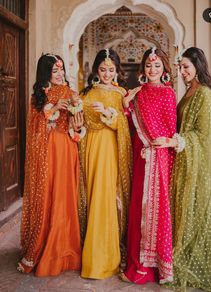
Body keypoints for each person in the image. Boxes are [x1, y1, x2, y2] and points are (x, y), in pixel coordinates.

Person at [156, 47, 211, 291]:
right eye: (180, 68)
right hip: (184, 163)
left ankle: (195, 257)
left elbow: (203, 136)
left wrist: (174, 141)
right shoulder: (189, 91)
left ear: (198, 67)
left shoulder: (202, 93)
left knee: (197, 213)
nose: (181, 72)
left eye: (186, 67)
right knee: (182, 211)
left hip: (198, 166)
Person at [17, 54, 85, 276]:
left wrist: (77, 119)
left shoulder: (71, 93)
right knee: (47, 195)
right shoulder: (38, 96)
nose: (60, 74)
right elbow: (36, 127)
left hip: (66, 150)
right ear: (45, 73)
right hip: (46, 153)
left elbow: (77, 129)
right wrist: (55, 106)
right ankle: (43, 248)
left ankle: (65, 250)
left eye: (62, 70)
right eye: (55, 71)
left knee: (64, 197)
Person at [121, 47, 177, 284]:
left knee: (156, 208)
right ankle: (138, 263)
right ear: (142, 69)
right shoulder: (137, 93)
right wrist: (125, 104)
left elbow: (171, 130)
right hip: (140, 155)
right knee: (138, 208)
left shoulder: (168, 94)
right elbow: (129, 125)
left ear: (164, 68)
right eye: (148, 66)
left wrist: (157, 148)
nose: (152, 70)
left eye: (156, 65)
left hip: (159, 157)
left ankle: (156, 266)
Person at [79, 48, 132, 279]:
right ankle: (87, 251)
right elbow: (79, 120)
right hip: (90, 147)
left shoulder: (122, 93)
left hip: (111, 148)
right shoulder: (87, 92)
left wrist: (109, 113)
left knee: (107, 196)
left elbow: (127, 123)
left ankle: (106, 257)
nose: (107, 74)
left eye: (111, 70)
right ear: (96, 70)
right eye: (102, 69)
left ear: (117, 70)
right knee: (92, 195)